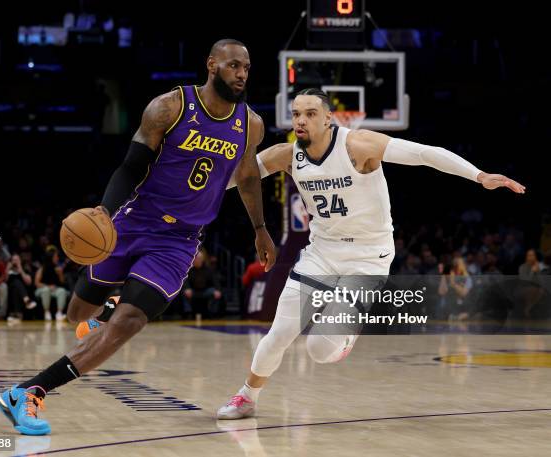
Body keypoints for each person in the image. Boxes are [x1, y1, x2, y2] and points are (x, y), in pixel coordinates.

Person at [0, 38, 276, 436]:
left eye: (246, 67)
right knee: (79, 315)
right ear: (211, 65)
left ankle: (28, 392)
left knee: (128, 322)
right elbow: (130, 167)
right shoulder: (170, 107)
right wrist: (104, 213)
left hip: (178, 242)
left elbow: (247, 178)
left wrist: (261, 229)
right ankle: (105, 308)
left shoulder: (250, 124)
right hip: (133, 222)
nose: (242, 73)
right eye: (233, 65)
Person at [217, 87, 525, 419]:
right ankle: (247, 396)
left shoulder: (358, 145)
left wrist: (479, 176)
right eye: (296, 114)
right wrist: (178, 189)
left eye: (310, 114)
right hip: (321, 254)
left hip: (368, 258)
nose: (301, 121)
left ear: (328, 118)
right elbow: (236, 177)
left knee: (319, 349)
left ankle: (346, 337)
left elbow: (424, 153)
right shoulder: (288, 155)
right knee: (279, 333)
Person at [34, 249, 68, 322]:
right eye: (56, 257)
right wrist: (48, 286)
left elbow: (62, 283)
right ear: (51, 257)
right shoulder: (42, 268)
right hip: (42, 289)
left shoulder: (58, 268)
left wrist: (60, 274)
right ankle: (47, 312)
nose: (57, 258)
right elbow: (37, 283)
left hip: (54, 289)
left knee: (62, 291)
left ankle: (59, 313)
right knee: (46, 290)